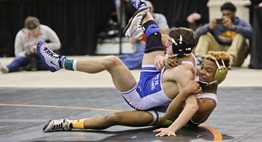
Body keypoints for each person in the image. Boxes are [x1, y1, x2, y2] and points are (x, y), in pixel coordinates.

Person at [42, 50, 230, 137]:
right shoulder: (195, 75)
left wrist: (184, 94)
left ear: (218, 76)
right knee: (115, 62)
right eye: (202, 67)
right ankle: (60, 62)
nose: (201, 72)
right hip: (156, 95)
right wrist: (163, 58)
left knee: (113, 118)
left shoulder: (207, 103)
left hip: (167, 117)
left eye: (207, 71)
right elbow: (181, 52)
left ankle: (66, 124)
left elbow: (172, 116)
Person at [194, 2, 252, 67]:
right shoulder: (217, 23)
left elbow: (251, 33)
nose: (225, 17)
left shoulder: (240, 22)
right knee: (205, 35)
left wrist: (233, 27)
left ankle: (229, 59)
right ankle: (200, 58)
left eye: (228, 14)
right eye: (223, 14)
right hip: (219, 52)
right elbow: (195, 34)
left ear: (234, 13)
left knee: (239, 35)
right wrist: (209, 27)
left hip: (236, 55)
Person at [118, 0, 169, 70]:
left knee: (142, 58)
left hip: (155, 52)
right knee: (124, 57)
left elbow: (165, 33)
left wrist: (150, 21)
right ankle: (117, 60)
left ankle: (117, 63)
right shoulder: (135, 19)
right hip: (139, 53)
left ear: (152, 10)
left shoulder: (159, 17)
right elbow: (131, 41)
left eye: (149, 11)